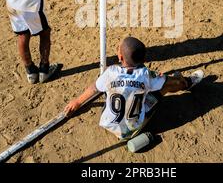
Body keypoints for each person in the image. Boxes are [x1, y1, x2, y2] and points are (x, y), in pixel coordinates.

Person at [64, 37, 204, 140]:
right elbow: (166, 81)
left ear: (120, 57)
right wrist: (177, 79)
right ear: (143, 60)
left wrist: (77, 102)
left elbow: (94, 88)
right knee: (165, 87)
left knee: (108, 88)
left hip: (108, 124)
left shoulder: (110, 72)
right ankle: (187, 82)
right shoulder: (145, 75)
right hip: (133, 129)